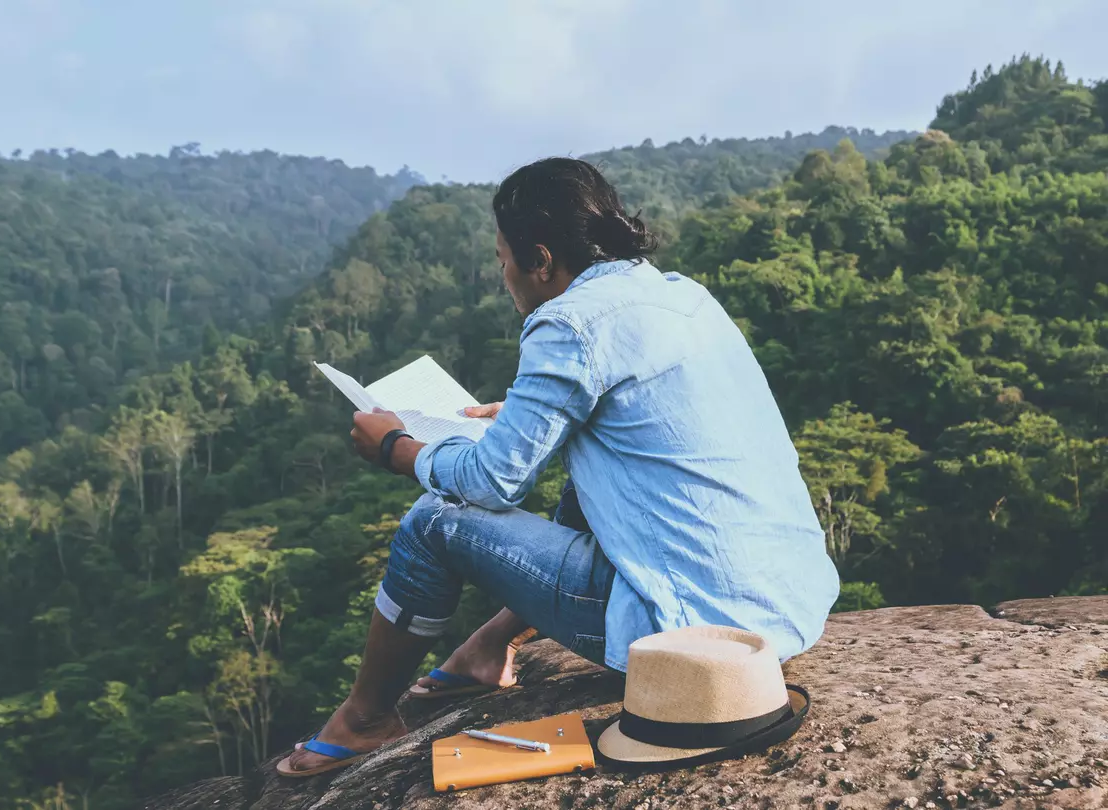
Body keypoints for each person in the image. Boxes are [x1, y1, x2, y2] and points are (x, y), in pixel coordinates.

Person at [277, 157, 840, 777]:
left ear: (541, 261)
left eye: (503, 260)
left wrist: (398, 448)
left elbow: (493, 482)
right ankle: (487, 647)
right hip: (785, 606)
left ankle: (365, 720)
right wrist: (526, 418)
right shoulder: (681, 294)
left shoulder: (568, 321)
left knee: (434, 522)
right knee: (591, 466)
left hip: (692, 633)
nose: (505, 276)